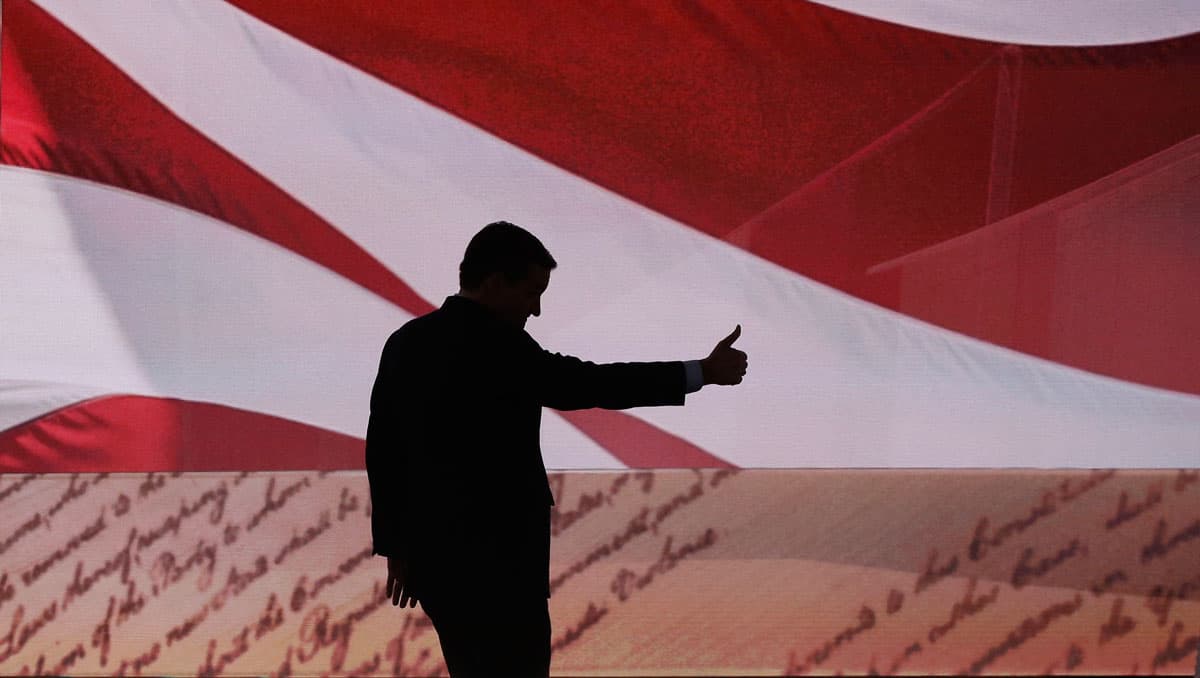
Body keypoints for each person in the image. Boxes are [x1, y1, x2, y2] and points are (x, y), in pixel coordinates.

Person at [365, 221, 747, 676]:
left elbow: (384, 451)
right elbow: (586, 383)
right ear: (493, 283)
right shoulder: (499, 345)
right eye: (531, 293)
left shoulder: (407, 342)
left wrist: (397, 548)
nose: (538, 310)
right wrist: (699, 372)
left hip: (438, 566)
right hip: (503, 565)